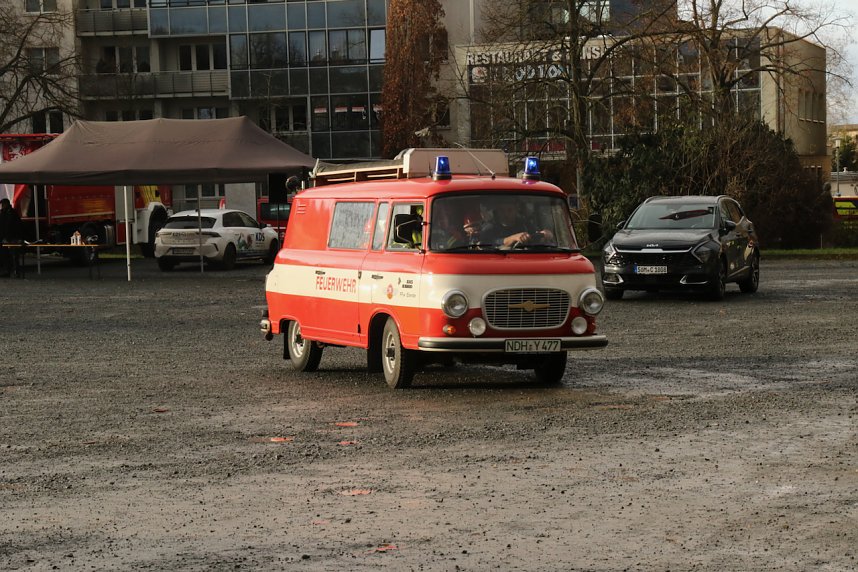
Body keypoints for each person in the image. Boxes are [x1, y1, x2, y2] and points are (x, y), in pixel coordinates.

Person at [480, 197, 554, 248]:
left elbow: (536, 235)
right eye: (502, 210)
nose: (506, 214)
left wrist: (546, 234)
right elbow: (488, 243)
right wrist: (513, 238)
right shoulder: (490, 227)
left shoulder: (525, 224)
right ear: (497, 211)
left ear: (516, 210)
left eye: (510, 210)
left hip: (526, 259)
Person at [0, 198, 23, 277]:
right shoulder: (5, 213)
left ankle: (15, 271)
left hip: (12, 238)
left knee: (13, 256)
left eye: (3, 204)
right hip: (6, 238)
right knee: (6, 256)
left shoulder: (11, 213)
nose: (2, 206)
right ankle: (9, 271)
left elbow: (14, 227)